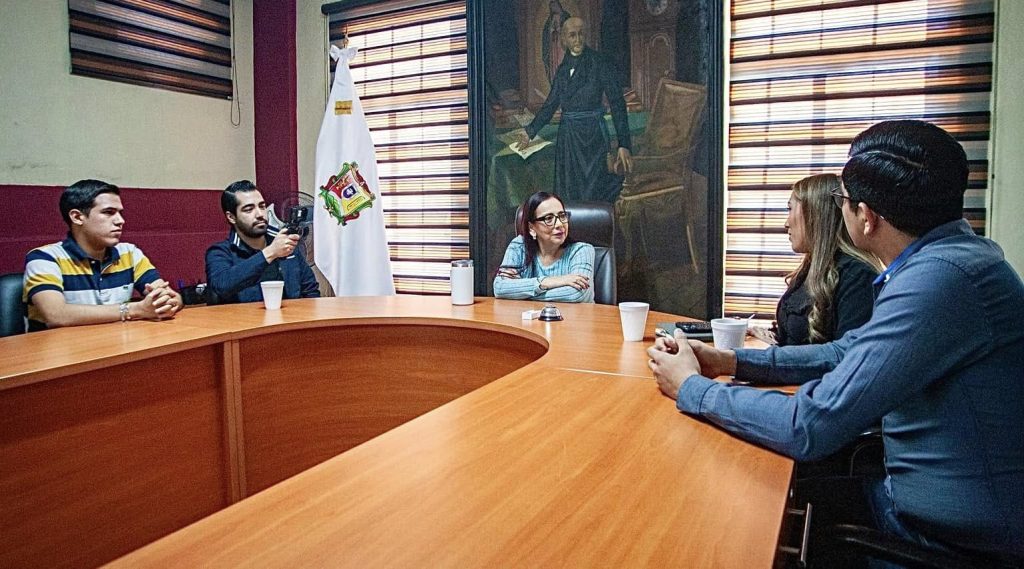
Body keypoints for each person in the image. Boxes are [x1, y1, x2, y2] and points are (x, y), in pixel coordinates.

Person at [648, 120, 1024, 563]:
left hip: (943, 541)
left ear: (866, 217)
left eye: (842, 200)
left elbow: (810, 425)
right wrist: (730, 361)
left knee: (737, 509)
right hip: (926, 505)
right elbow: (846, 351)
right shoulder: (956, 260)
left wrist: (691, 387)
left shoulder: (937, 282)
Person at [22, 179, 183, 330]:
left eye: (119, 213)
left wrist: (169, 302)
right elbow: (56, 315)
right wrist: (134, 310)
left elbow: (171, 297)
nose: (120, 220)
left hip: (115, 342)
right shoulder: (44, 258)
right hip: (60, 348)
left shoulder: (129, 253)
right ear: (77, 217)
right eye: (108, 212)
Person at [753, 173, 881, 346]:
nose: (786, 223)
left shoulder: (857, 277)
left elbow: (843, 355)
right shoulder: (809, 270)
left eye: (790, 209)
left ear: (815, 215)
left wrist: (773, 356)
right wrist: (770, 339)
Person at [515, 17, 633, 203]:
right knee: (569, 194)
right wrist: (530, 131)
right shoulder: (562, 70)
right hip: (569, 140)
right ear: (563, 39)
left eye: (581, 34)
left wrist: (624, 144)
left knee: (595, 194)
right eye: (572, 35)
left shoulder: (599, 62)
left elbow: (618, 104)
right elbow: (550, 105)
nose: (578, 40)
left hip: (593, 138)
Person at [205, 180, 320, 303]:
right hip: (242, 315)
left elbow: (310, 290)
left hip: (290, 314)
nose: (260, 214)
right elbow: (221, 286)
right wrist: (270, 253)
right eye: (249, 209)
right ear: (231, 217)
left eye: (262, 206)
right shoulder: (220, 252)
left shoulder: (285, 243)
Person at [493, 191, 594, 303]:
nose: (559, 224)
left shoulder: (581, 251)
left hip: (574, 315)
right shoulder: (519, 246)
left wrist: (519, 293)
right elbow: (500, 288)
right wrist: (548, 282)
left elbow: (575, 294)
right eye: (549, 218)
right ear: (531, 228)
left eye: (562, 216)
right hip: (528, 315)